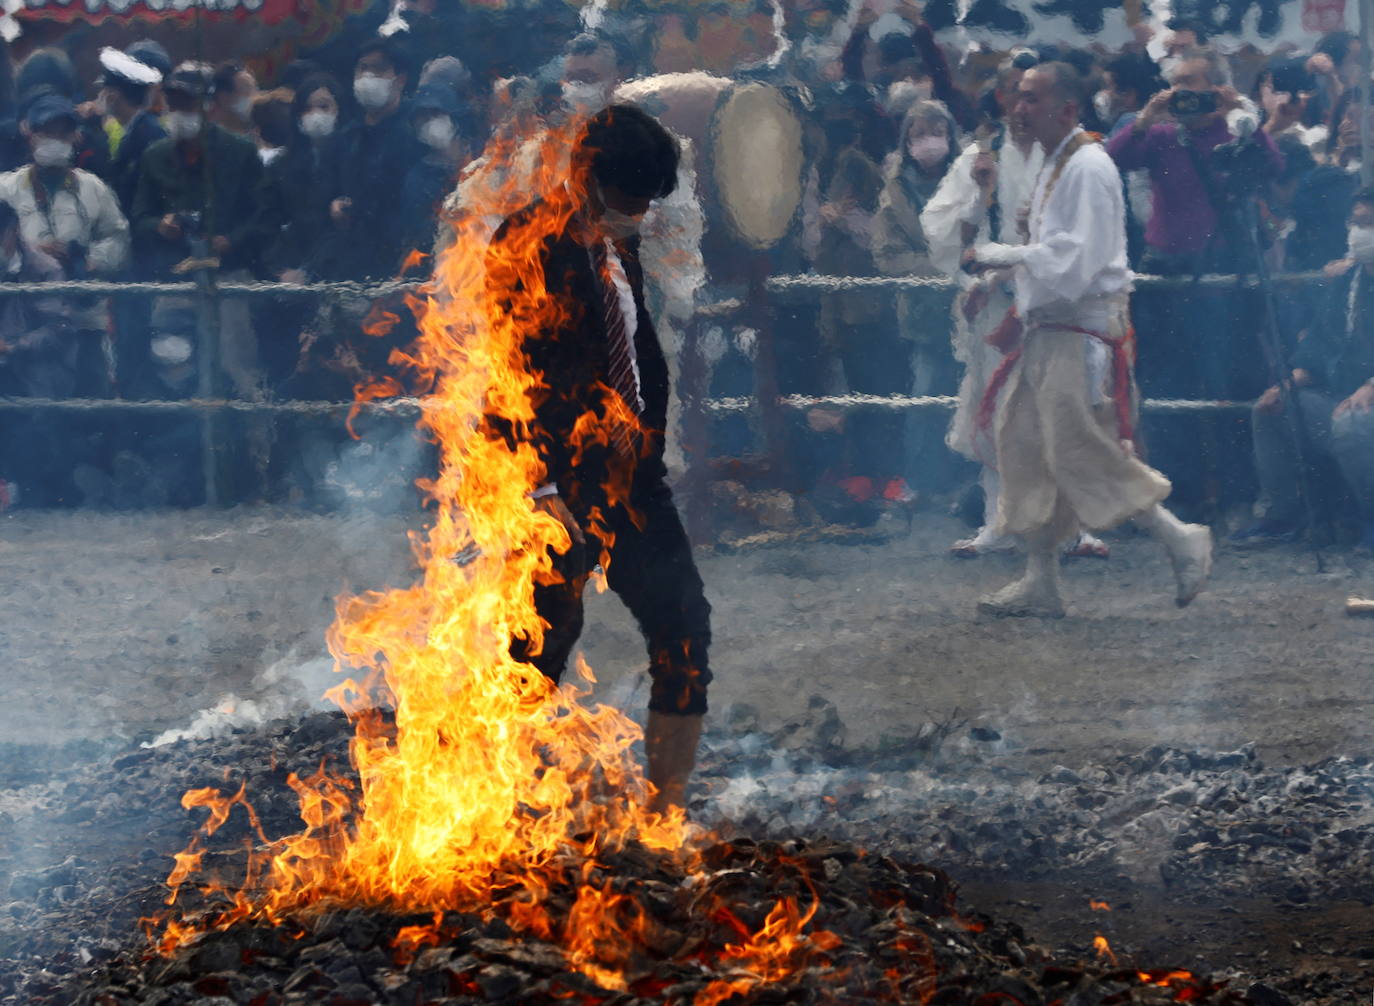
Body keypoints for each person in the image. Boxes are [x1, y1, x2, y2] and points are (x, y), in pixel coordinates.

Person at [489, 104, 711, 812]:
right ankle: (497, 806)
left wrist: (644, 431)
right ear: (587, 177)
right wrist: (540, 484)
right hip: (555, 479)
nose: (640, 214)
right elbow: (509, 373)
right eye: (630, 198)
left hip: (632, 478)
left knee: (683, 629)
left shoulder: (619, 246)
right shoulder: (526, 241)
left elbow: (633, 350)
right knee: (544, 639)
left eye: (649, 201)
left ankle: (664, 818)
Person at [963, 62, 1212, 618]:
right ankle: (1041, 578)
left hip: (1081, 332)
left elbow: (1077, 263)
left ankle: (1180, 538)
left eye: (1030, 98)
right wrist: (998, 277)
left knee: (1080, 450)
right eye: (1016, 97)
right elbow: (1050, 251)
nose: (1017, 108)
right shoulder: (1056, 162)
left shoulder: (1090, 166)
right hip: (1048, 330)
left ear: (1067, 109)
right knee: (1025, 444)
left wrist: (1003, 256)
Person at [0, 94, 129, 506]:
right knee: (28, 407)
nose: (53, 140)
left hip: (85, 317)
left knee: (89, 405)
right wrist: (32, 252)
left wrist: (84, 258)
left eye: (62, 132)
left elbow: (120, 241)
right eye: (45, 131)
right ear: (29, 134)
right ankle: (39, 487)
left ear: (75, 137)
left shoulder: (94, 189)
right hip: (21, 323)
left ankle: (88, 487)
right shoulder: (6, 187)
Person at [1232, 188, 1374, 551]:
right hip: (1341, 398)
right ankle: (1283, 516)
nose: (1360, 233)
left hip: (1363, 408)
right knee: (1273, 409)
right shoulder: (1349, 282)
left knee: (1353, 422)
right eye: (1355, 223)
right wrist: (1290, 382)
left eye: (1369, 224)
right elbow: (1319, 347)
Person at [872, 98, 958, 499]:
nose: (929, 142)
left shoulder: (971, 177)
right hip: (924, 311)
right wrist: (939, 267)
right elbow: (886, 254)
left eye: (937, 133)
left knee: (974, 397)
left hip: (972, 308)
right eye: (919, 134)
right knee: (925, 395)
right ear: (906, 142)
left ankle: (973, 484)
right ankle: (921, 481)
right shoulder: (895, 190)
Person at [334, 37, 425, 280]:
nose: (368, 76)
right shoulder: (348, 136)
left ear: (400, 79)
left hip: (402, 264)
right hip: (353, 261)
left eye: (379, 68)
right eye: (363, 68)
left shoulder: (415, 131)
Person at [95, 46, 166, 216]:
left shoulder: (149, 133)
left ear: (113, 95)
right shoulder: (136, 129)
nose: (100, 96)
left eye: (103, 90)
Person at [208, 61, 258, 139]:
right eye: (247, 91)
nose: (255, 98)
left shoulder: (258, 136)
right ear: (223, 97)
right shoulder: (209, 138)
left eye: (254, 90)